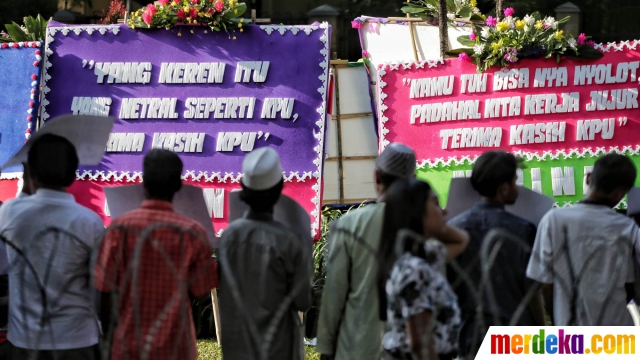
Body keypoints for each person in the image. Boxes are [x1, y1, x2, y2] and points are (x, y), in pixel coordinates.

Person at [317, 143, 468, 360]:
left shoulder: (348, 225)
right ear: (413, 179)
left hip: (356, 349)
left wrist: (326, 349)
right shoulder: (425, 225)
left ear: (377, 177)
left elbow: (335, 292)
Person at [94, 149, 217, 360]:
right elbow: (201, 292)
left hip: (127, 348)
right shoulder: (192, 232)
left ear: (144, 183)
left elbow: (104, 291)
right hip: (176, 348)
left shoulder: (119, 229)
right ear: (178, 185)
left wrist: (107, 339)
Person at [0, 134, 104, 359]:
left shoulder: (8, 213)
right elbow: (100, 284)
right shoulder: (91, 222)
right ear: (71, 173)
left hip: (24, 340)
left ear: (30, 171)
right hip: (79, 340)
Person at [447, 151, 545, 360]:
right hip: (516, 337)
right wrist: (541, 332)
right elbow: (532, 291)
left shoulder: (454, 228)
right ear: (504, 188)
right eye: (515, 181)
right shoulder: (523, 229)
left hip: (471, 336)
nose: (517, 187)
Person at [217, 147, 312, 360]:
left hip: (237, 350)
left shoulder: (228, 238)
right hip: (278, 350)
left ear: (243, 190)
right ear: (279, 190)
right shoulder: (289, 241)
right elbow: (303, 301)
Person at [527, 153, 639, 326]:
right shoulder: (628, 228)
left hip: (571, 331)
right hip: (617, 331)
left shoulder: (553, 220)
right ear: (620, 194)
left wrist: (558, 319)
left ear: (588, 178)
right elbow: (634, 285)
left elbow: (544, 284)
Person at [382, 178, 466, 360]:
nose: (444, 211)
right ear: (416, 211)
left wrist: (437, 225)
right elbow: (421, 345)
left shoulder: (423, 258)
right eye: (435, 203)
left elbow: (461, 240)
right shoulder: (414, 269)